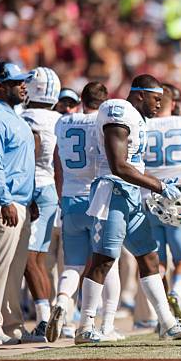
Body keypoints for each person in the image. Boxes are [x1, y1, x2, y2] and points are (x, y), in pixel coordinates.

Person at [76, 74, 181, 343]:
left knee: (149, 257)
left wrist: (156, 182)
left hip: (132, 196)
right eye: (156, 99)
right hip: (113, 193)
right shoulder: (118, 111)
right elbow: (119, 165)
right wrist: (158, 185)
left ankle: (169, 323)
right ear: (139, 95)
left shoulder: (137, 118)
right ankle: (85, 326)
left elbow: (132, 165)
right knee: (104, 260)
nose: (159, 105)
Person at [47, 81, 118, 342]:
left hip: (70, 197)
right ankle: (104, 324)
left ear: (81, 99)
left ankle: (63, 302)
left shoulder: (63, 122)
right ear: (106, 100)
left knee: (73, 264)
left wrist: (62, 196)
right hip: (97, 198)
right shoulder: (104, 122)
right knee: (108, 264)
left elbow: (57, 164)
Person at [0, 60, 35, 346]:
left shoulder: (14, 115)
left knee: (15, 269)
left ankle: (13, 325)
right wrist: (4, 199)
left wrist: (32, 197)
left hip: (21, 201)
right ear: (0, 86)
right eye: (17, 82)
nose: (23, 86)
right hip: (7, 202)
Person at [143, 82, 181, 325]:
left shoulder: (143, 125)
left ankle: (164, 315)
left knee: (158, 263)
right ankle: (176, 294)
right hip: (180, 200)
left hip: (150, 199)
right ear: (174, 104)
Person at [20, 67, 62, 342]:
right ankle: (46, 317)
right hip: (54, 189)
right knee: (39, 259)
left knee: (29, 259)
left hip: (35, 186)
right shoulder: (60, 119)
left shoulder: (25, 117)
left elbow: (30, 155)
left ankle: (43, 320)